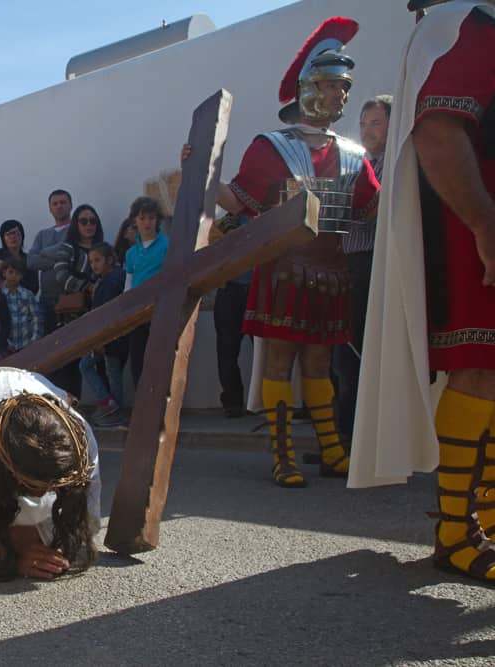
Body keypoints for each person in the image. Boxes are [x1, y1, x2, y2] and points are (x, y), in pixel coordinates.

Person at [188, 17, 379, 488]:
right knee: (279, 362)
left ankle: (331, 448)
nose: (340, 95)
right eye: (331, 85)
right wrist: (200, 170)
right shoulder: (270, 147)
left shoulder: (354, 154)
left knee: (319, 364)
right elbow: (237, 201)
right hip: (285, 270)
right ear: (308, 87)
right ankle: (283, 454)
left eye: (344, 87)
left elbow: (371, 208)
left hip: (332, 270)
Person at [350, 0, 495, 584]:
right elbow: (438, 132)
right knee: (478, 370)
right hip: (474, 222)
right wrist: (484, 222)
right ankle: (456, 531)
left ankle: (488, 519)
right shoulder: (466, 23)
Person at [0, 366, 101, 580]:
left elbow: (88, 520)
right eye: (32, 486)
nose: (41, 494)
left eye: (51, 487)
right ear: (6, 467)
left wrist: (16, 535)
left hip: (28, 383)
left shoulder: (81, 442)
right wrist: (7, 558)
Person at [333, 95, 391, 439]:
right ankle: (343, 440)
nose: (367, 130)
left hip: (371, 265)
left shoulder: (396, 166)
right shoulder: (358, 165)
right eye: (363, 123)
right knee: (341, 357)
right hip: (346, 265)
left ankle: (357, 441)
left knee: (355, 356)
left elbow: (374, 212)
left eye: (376, 123)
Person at [123, 196, 169, 388]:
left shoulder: (167, 245)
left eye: (151, 218)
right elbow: (129, 283)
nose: (147, 223)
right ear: (135, 220)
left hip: (161, 311)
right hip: (138, 314)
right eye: (142, 218)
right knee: (138, 360)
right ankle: (141, 402)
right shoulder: (131, 253)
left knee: (160, 360)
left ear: (157, 220)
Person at [80, 243, 128, 426]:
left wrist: (101, 340)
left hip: (111, 338)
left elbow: (107, 313)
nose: (93, 265)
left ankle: (114, 410)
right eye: (91, 261)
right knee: (94, 367)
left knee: (112, 374)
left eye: (97, 260)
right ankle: (108, 404)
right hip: (108, 337)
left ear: (109, 260)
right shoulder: (106, 279)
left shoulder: (111, 281)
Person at [211, 213, 253, 418]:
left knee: (264, 350)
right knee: (227, 351)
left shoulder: (267, 216)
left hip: (258, 291)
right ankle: (233, 402)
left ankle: (261, 402)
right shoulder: (223, 223)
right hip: (229, 290)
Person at [28, 189, 74, 335]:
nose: (59, 206)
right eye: (55, 204)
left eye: (63, 202)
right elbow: (31, 262)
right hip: (46, 300)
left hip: (71, 298)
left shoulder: (76, 230)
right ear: (50, 209)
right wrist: (59, 258)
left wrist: (43, 252)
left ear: (71, 205)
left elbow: (69, 255)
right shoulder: (42, 234)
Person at [0, 219, 39, 294]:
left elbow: (34, 289)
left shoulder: (29, 259)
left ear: (22, 236)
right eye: (8, 234)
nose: (13, 237)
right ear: (3, 238)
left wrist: (6, 270)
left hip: (20, 299)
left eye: (16, 233)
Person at [1, 257, 41, 354]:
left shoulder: (27, 294)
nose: (14, 276)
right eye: (11, 272)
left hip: (27, 343)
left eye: (18, 274)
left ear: (22, 276)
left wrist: (34, 339)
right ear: (4, 273)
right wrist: (5, 342)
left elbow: (36, 317)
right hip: (6, 345)